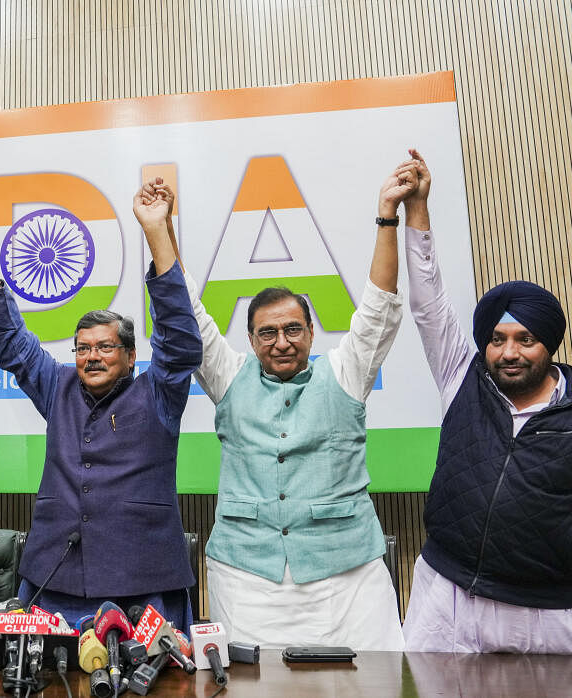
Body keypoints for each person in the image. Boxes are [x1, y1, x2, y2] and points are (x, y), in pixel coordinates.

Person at [398, 150, 572, 656]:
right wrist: (417, 209)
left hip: (541, 619)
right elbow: (428, 304)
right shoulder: (462, 377)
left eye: (525, 339)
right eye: (497, 339)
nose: (509, 352)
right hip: (441, 601)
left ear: (548, 345)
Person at [188, 158, 418, 651]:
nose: (282, 341)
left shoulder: (345, 371)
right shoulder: (228, 378)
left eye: (293, 329)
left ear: (312, 332)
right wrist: (159, 232)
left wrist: (387, 217)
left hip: (348, 577)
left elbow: (380, 305)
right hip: (247, 579)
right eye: (267, 332)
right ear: (250, 340)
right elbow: (188, 315)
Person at [0, 179, 200, 629]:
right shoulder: (56, 386)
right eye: (82, 348)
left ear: (130, 355)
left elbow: (179, 341)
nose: (92, 356)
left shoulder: (157, 392)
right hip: (53, 576)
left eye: (105, 347)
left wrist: (156, 230)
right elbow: (13, 342)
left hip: (141, 579)